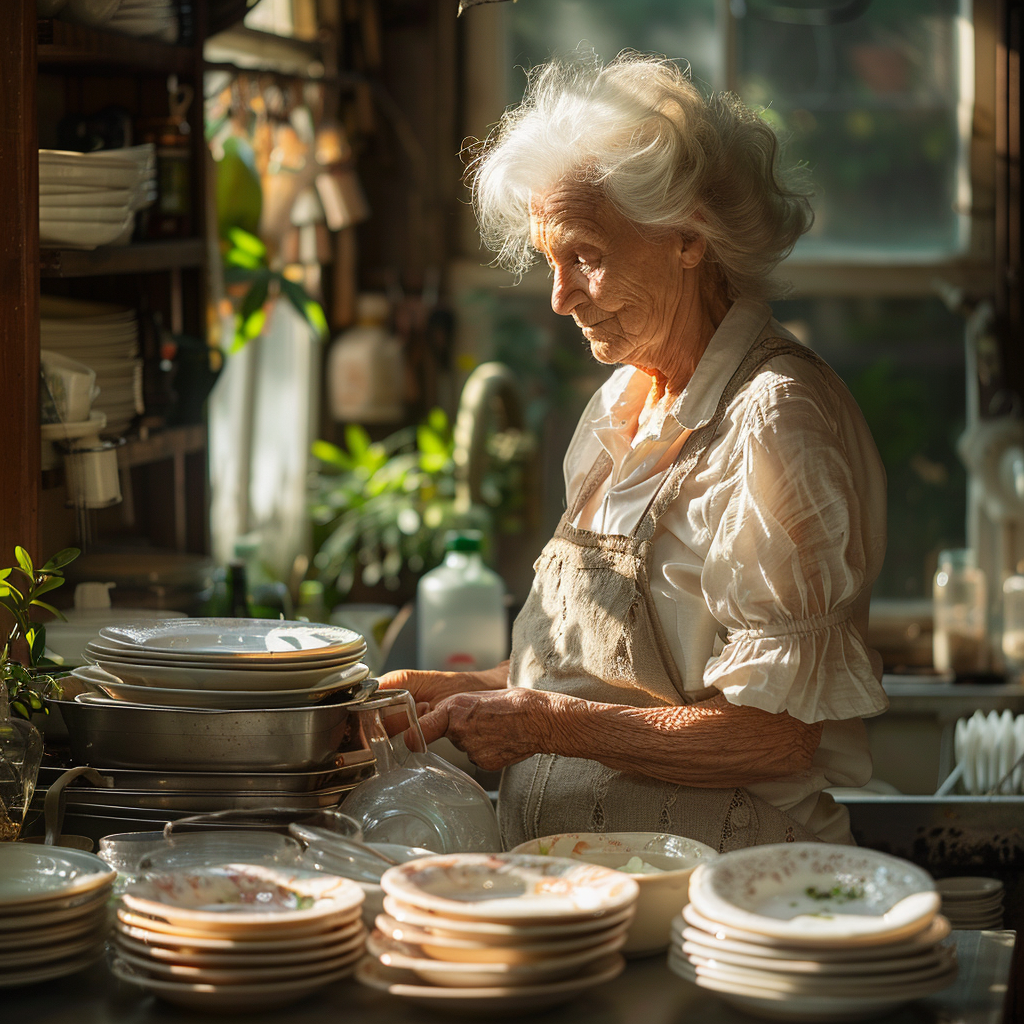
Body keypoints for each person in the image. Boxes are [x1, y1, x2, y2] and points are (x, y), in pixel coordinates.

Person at [381, 52, 889, 852]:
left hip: (726, 890)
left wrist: (544, 722)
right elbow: (613, 688)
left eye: (583, 254)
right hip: (599, 890)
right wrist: (456, 695)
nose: (559, 297)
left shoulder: (771, 422)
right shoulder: (623, 402)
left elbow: (772, 737)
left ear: (687, 237)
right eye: (550, 261)